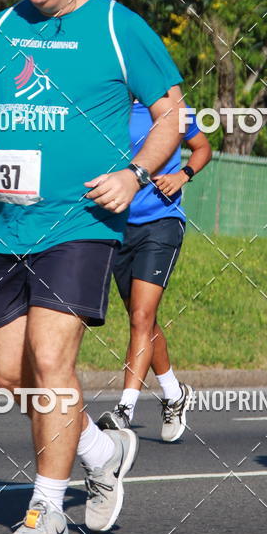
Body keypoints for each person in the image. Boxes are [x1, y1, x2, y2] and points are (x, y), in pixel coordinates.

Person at [0, 0, 184, 534]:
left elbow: (170, 116)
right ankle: (101, 454)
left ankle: (48, 514)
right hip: (9, 225)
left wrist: (133, 175)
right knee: (10, 378)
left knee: (52, 360)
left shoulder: (115, 26)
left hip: (81, 222)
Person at [97, 101, 211, 441]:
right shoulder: (105, 102)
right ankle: (175, 394)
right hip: (117, 226)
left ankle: (124, 410)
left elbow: (202, 147)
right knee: (142, 319)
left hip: (160, 223)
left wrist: (182, 175)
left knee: (141, 315)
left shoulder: (170, 107)